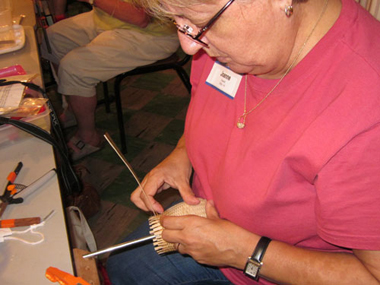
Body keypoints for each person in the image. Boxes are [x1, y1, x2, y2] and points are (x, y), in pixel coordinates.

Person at [106, 0, 380, 284]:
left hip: (273, 267)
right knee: (122, 267)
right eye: (176, 21)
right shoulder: (232, 39)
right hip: (211, 215)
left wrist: (244, 252)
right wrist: (182, 153)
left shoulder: (367, 111)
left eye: (199, 22)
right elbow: (214, 101)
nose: (189, 46)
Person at [41, 0, 179, 161]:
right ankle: (73, 110)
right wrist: (59, 14)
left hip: (152, 33)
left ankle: (89, 138)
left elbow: (140, 18)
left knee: (74, 68)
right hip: (108, 19)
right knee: (52, 38)